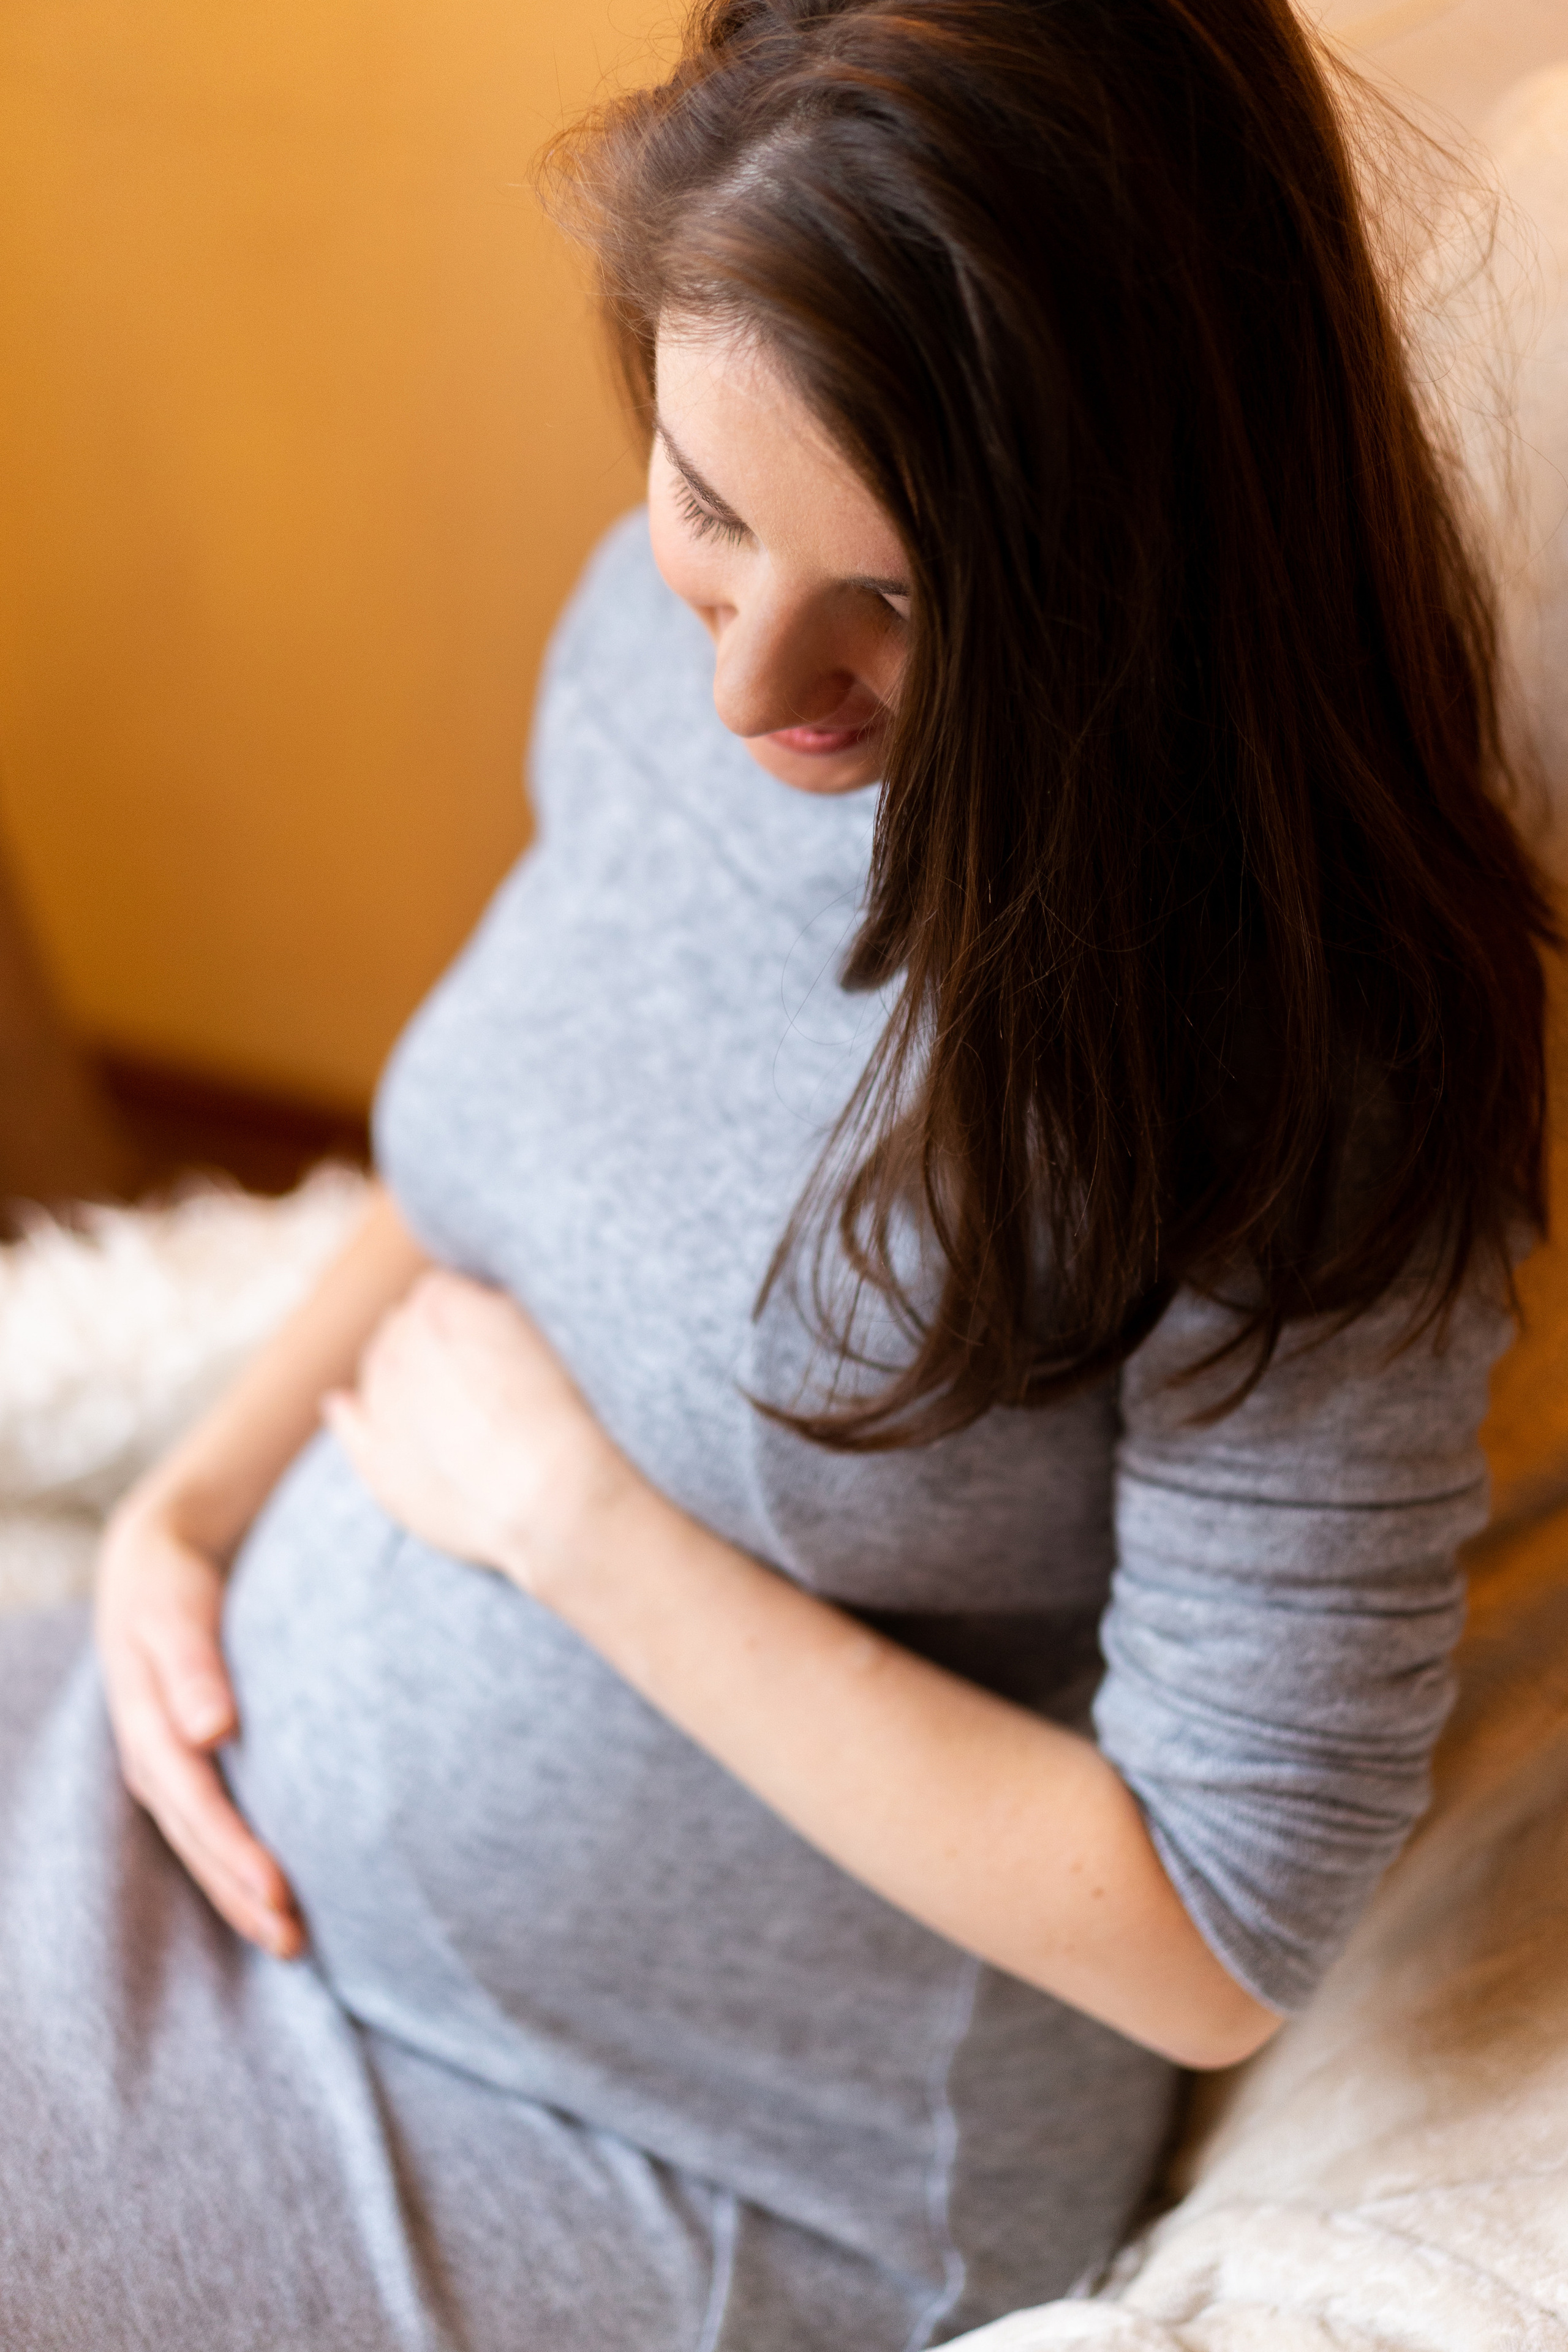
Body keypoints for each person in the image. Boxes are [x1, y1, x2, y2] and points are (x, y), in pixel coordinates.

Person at [0, 1, 1554, 2344]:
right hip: (194, 1823)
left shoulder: (1286, 1075)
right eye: (710, 505)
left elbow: (1216, 1928)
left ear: (1144, 574)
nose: (753, 691)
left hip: (680, 2140)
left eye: (907, 602)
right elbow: (487, 1147)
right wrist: (189, 1520)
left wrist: (571, 1532)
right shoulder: (670, 633)